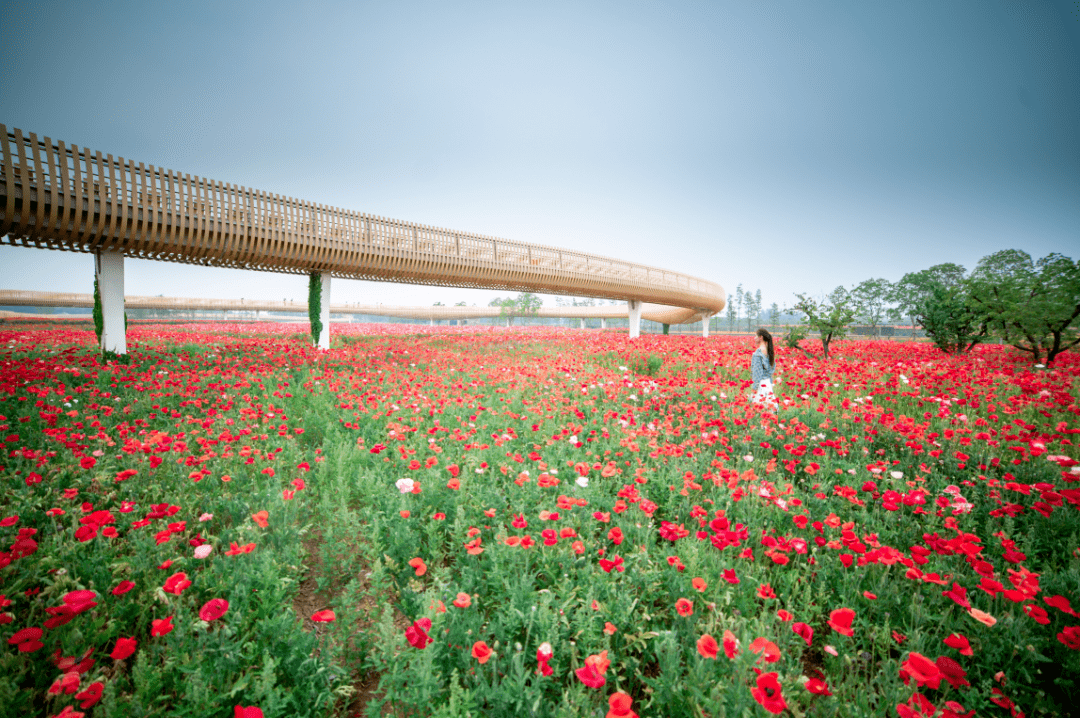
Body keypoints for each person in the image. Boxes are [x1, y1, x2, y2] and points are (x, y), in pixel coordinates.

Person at [750, 328, 778, 412]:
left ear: (760, 337)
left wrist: (754, 387)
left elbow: (757, 373)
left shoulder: (757, 354)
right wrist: (770, 383)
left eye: (756, 336)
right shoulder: (769, 352)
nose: (754, 338)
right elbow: (771, 371)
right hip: (768, 384)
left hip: (761, 385)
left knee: (759, 411)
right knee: (770, 411)